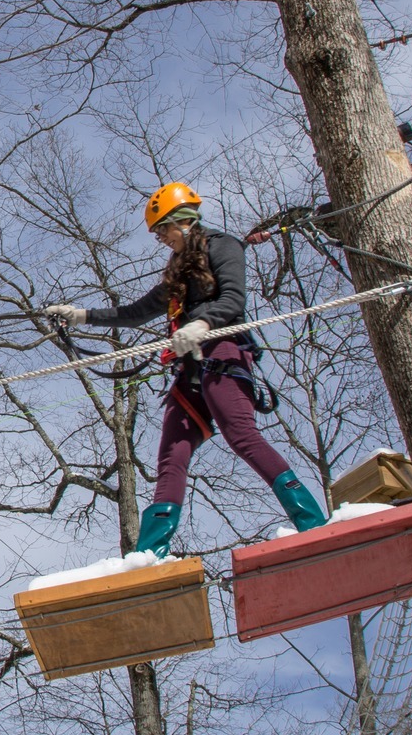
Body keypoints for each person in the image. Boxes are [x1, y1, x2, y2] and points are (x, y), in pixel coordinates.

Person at [44, 182, 328, 558]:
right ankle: (150, 553)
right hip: (191, 375)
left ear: (185, 221)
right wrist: (82, 316)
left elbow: (233, 299)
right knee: (171, 456)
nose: (160, 238)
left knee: (241, 435)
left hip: (223, 354)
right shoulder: (178, 273)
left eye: (163, 229)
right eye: (157, 232)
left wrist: (202, 323)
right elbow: (136, 312)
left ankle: (310, 520)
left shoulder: (223, 246)